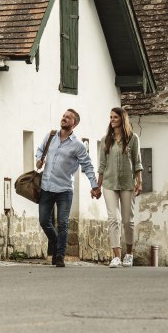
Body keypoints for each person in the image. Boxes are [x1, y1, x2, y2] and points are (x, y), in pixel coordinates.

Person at [35, 108, 100, 267]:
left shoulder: (78, 146)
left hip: (64, 190)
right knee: (44, 221)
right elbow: (40, 150)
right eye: (63, 116)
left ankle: (60, 256)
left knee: (63, 223)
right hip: (46, 187)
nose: (64, 118)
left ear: (74, 123)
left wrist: (95, 186)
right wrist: (39, 159)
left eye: (68, 117)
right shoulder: (51, 136)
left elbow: (88, 166)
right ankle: (57, 241)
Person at [94, 107, 143, 268]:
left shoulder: (133, 138)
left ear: (123, 119)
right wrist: (97, 186)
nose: (112, 120)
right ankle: (116, 256)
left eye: (115, 117)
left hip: (128, 183)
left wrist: (139, 182)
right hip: (109, 183)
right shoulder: (106, 140)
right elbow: (101, 165)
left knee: (128, 221)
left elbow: (137, 162)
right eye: (111, 117)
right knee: (113, 219)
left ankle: (129, 254)